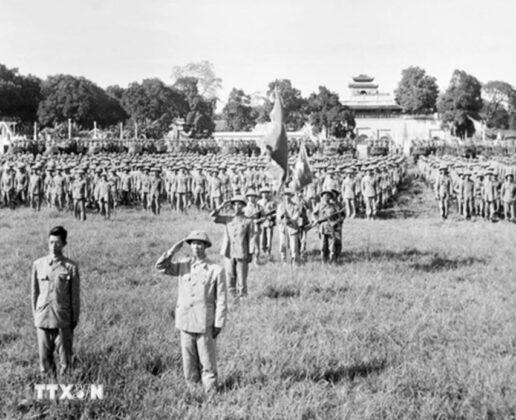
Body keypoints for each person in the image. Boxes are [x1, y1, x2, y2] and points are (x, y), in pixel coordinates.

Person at [155, 230, 227, 393]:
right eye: (193, 243)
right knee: (188, 359)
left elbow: (222, 298)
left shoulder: (215, 269)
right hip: (185, 320)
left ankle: (211, 391)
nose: (196, 246)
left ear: (206, 246)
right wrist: (172, 251)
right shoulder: (183, 265)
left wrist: (219, 323)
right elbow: (160, 267)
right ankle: (193, 390)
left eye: (200, 243)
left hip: (205, 321)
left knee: (207, 360)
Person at [31, 226, 80, 376]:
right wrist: (36, 316)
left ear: (64, 244)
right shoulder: (38, 264)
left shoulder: (71, 267)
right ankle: (49, 393)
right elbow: (34, 293)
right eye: (51, 242)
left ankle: (66, 392)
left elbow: (75, 297)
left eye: (57, 243)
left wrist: (73, 319)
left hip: (62, 320)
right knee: (45, 362)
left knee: (66, 362)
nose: (54, 246)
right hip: (43, 320)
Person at [210, 195, 253, 298]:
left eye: (240, 204)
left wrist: (251, 253)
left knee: (242, 278)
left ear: (244, 206)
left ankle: (242, 297)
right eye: (235, 204)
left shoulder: (248, 221)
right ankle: (232, 297)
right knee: (230, 276)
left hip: (242, 252)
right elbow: (213, 217)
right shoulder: (228, 218)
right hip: (229, 252)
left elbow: (251, 237)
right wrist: (221, 206)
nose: (237, 206)